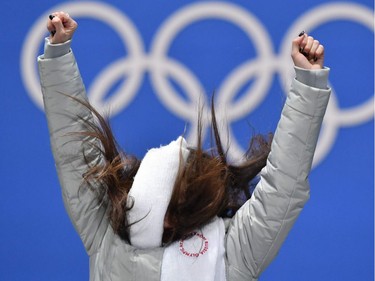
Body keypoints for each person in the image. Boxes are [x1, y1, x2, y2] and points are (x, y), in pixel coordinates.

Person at [38, 11, 331, 281]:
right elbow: (75, 155)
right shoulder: (107, 238)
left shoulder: (232, 251)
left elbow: (283, 186)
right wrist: (59, 55)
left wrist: (309, 83)